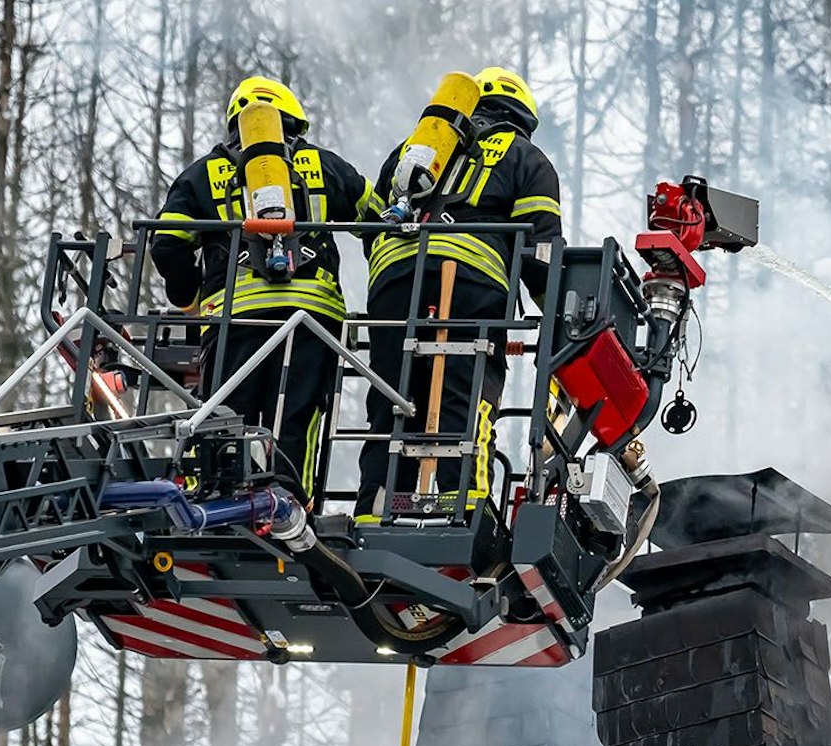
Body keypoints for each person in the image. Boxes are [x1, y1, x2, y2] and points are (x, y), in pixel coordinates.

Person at [355, 66, 564, 520]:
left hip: (394, 281)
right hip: (471, 282)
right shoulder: (525, 157)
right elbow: (541, 250)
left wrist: (405, 268)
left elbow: (371, 227)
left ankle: (374, 509)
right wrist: (557, 321)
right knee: (462, 397)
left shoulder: (414, 150)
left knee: (392, 396)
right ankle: (465, 510)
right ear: (521, 117)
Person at [151, 76, 372, 498]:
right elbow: (381, 221)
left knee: (225, 416)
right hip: (313, 316)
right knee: (297, 415)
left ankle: (216, 502)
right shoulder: (325, 165)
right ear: (293, 120)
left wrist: (189, 298)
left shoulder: (203, 173)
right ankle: (291, 502)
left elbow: (167, 244)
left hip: (235, 313)